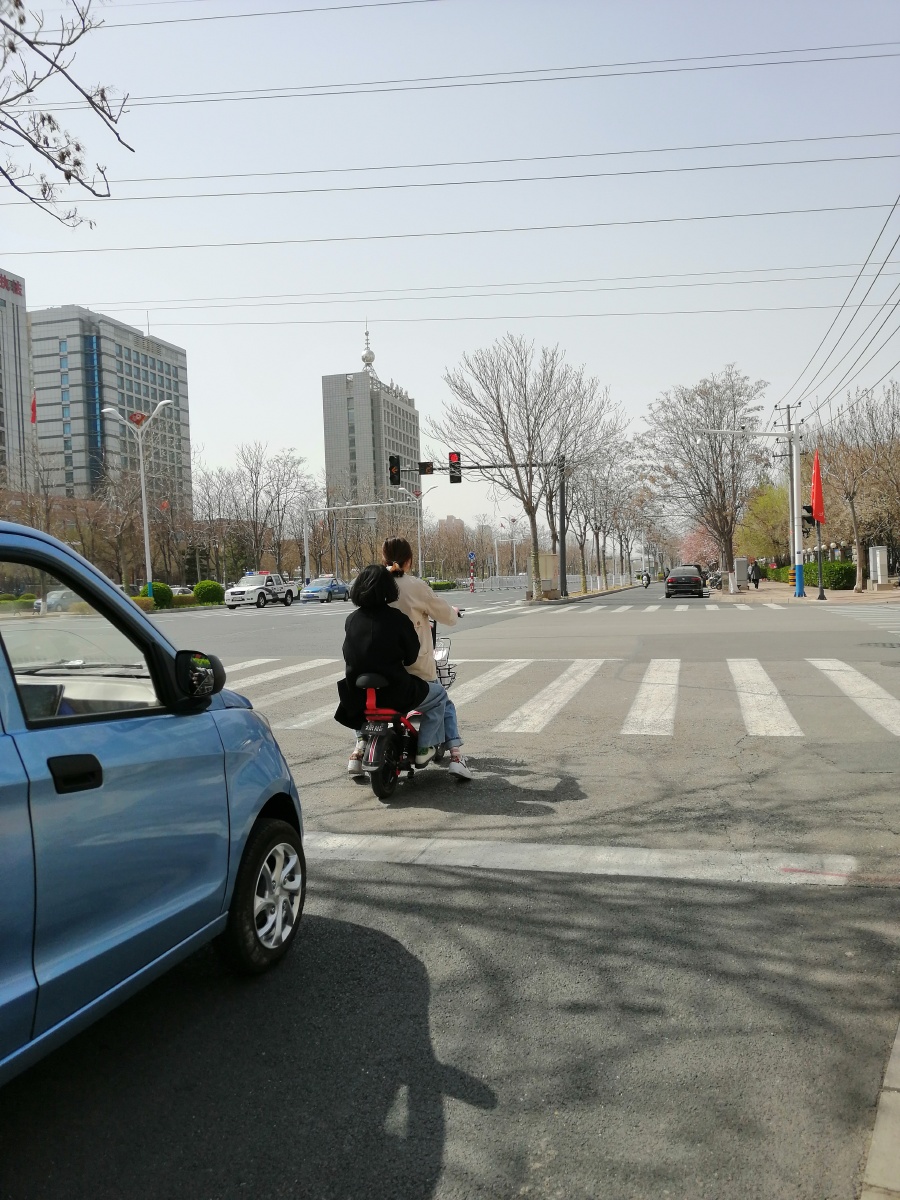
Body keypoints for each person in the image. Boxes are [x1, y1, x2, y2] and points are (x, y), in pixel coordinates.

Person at [336, 565, 450, 775]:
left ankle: (361, 744)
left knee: (356, 708)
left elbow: (347, 653)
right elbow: (411, 656)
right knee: (440, 696)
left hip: (358, 695)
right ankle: (424, 747)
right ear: (389, 589)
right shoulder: (398, 619)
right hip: (396, 694)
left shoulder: (351, 620)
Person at [382, 536, 473, 780]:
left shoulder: (375, 585)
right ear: (409, 560)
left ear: (383, 558)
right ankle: (454, 756)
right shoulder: (415, 586)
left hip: (380, 669)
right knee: (443, 700)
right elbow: (445, 615)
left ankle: (359, 750)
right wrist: (453, 612)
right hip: (415, 670)